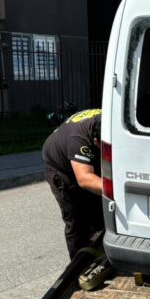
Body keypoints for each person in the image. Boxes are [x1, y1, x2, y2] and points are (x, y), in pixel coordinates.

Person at [41, 108, 105, 259]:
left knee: (99, 214)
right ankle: (78, 266)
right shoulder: (80, 140)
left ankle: (101, 256)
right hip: (60, 168)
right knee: (77, 221)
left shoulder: (109, 119)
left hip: (80, 155)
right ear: (95, 141)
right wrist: (118, 191)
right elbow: (84, 179)